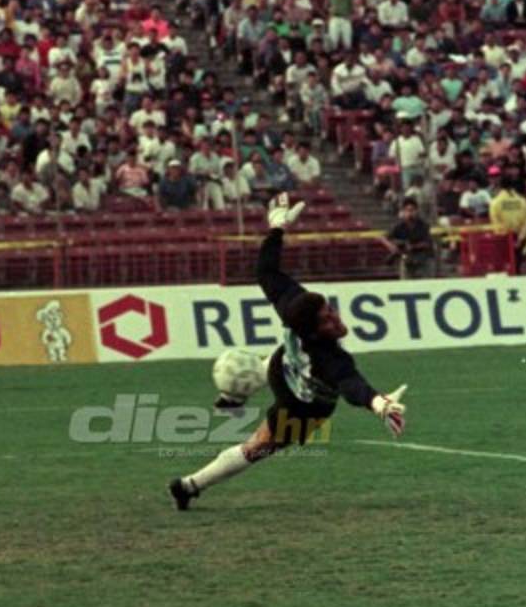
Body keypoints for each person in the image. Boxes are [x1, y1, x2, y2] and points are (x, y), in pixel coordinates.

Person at [168, 195, 408, 511]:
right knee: (256, 447)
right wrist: (379, 403)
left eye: (331, 310)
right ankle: (191, 485)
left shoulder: (295, 306)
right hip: (301, 397)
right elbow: (349, 383)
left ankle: (230, 403)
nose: (335, 319)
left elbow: (265, 271)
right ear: (312, 331)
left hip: (292, 382)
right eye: (326, 320)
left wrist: (277, 228)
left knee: (260, 370)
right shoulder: (328, 356)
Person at [380, 199, 434, 279]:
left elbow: (427, 243)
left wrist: (412, 246)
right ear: (403, 212)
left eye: (412, 210)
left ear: (416, 211)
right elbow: (383, 237)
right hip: (406, 259)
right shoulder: (399, 226)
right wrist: (392, 247)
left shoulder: (423, 225)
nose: (410, 213)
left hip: (422, 259)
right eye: (407, 210)